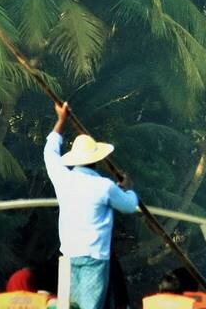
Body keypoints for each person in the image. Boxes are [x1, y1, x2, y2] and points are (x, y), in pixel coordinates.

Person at [44, 103, 141, 309]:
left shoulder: (63, 178)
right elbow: (129, 206)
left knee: (68, 306)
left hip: (69, 255)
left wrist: (61, 120)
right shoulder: (104, 186)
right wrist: (128, 188)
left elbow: (50, 152)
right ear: (96, 161)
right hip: (94, 259)